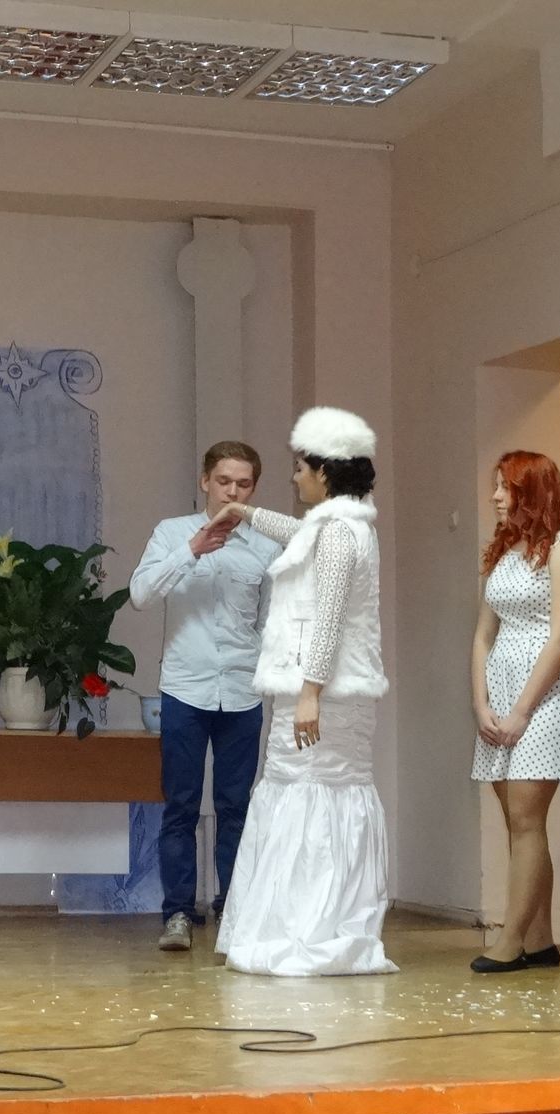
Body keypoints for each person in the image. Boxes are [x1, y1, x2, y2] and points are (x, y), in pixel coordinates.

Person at [211, 407, 397, 976]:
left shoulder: (339, 533)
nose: (294, 478)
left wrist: (311, 691)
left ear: (324, 471)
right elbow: (297, 535)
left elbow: (329, 619)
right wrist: (244, 513)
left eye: (299, 468)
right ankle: (306, 922)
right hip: (329, 692)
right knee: (303, 795)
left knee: (310, 796)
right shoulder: (340, 528)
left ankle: (308, 927)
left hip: (326, 693)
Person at [130, 441, 279, 953]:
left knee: (236, 806)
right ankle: (178, 913)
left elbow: (269, 625)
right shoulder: (172, 533)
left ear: (253, 488)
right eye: (223, 481)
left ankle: (233, 913)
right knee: (182, 806)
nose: (232, 492)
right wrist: (191, 549)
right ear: (205, 482)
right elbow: (140, 595)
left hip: (242, 692)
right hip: (185, 690)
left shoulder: (266, 547)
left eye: (243, 484)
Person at [469, 451, 560, 973]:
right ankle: (540, 939)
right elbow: (483, 634)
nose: (496, 496)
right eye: (497, 486)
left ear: (532, 492)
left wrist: (522, 709)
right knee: (516, 823)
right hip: (501, 694)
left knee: (526, 820)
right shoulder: (506, 550)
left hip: (543, 698)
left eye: (506, 487)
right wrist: (481, 702)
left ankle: (510, 940)